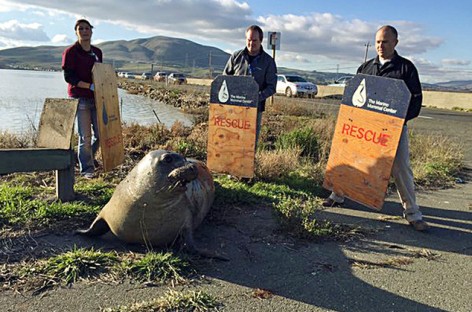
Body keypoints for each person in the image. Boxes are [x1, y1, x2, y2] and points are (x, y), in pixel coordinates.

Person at [323, 25, 429, 231]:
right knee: (352, 159)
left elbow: (416, 102)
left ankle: (413, 213)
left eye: (385, 42)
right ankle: (338, 195)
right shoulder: (365, 68)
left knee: (401, 168)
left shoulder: (406, 69)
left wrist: (398, 123)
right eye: (378, 42)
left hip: (394, 131)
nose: (381, 46)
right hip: (363, 129)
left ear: (395, 43)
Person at [223, 25, 277, 145]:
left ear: (261, 40)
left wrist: (256, 97)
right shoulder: (236, 57)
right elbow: (225, 79)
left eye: (254, 40)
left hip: (254, 110)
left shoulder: (268, 62)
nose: (251, 43)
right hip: (234, 109)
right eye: (249, 40)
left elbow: (272, 87)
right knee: (231, 141)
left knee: (249, 144)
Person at [62, 19, 102, 179]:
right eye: (80, 28)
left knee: (100, 135)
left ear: (91, 31)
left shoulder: (97, 52)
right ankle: (87, 170)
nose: (84, 31)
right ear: (76, 32)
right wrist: (88, 86)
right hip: (80, 99)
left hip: (96, 99)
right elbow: (68, 77)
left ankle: (86, 158)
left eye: (87, 28)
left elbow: (100, 73)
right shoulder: (71, 52)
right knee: (85, 136)